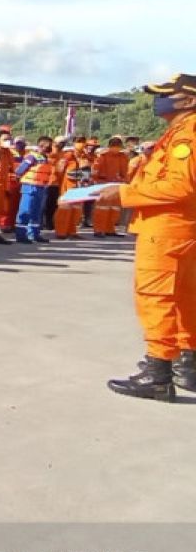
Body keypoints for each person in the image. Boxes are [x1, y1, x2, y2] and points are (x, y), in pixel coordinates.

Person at [103, 74, 196, 401]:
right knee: (184, 298)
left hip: (168, 230)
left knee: (155, 297)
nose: (158, 100)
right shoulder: (179, 133)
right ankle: (187, 365)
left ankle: (157, 373)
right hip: (180, 229)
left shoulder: (187, 135)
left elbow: (181, 187)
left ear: (188, 100)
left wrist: (125, 194)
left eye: (164, 94)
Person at [13, 136, 55, 244]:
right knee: (25, 211)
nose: (51, 147)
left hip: (40, 187)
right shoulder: (32, 156)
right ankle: (21, 235)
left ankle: (34, 234)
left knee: (36, 212)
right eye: (49, 145)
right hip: (30, 186)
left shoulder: (45, 158)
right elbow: (19, 170)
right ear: (42, 145)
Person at [91, 135, 129, 238]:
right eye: (114, 145)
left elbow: (126, 172)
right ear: (109, 146)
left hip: (117, 186)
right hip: (104, 186)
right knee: (101, 209)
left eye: (118, 145)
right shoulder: (103, 156)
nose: (116, 147)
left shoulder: (123, 157)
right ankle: (99, 230)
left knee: (114, 209)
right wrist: (99, 181)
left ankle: (110, 229)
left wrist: (124, 181)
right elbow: (95, 171)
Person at [52, 144, 84, 240]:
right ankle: (61, 232)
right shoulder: (67, 157)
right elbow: (58, 171)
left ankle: (72, 231)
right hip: (67, 188)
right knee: (64, 211)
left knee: (76, 211)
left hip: (77, 188)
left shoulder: (81, 158)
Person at [42, 135, 68, 231]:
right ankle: (42, 223)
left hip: (56, 183)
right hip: (47, 182)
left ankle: (49, 222)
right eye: (59, 143)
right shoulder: (49, 152)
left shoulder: (63, 154)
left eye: (63, 143)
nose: (61, 145)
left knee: (53, 205)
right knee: (44, 204)